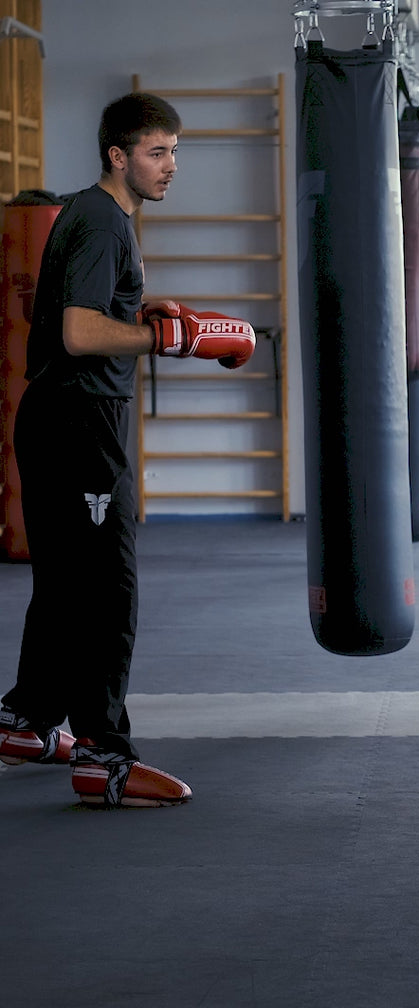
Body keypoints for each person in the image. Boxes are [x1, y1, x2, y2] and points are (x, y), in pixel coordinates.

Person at [0, 93, 257, 807]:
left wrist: (142, 313)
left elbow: (79, 314)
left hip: (61, 417)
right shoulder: (101, 221)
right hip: (81, 423)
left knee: (65, 584)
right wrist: (163, 339)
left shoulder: (96, 215)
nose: (171, 166)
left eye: (174, 151)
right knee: (107, 588)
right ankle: (104, 756)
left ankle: (27, 720)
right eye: (156, 152)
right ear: (118, 155)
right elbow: (79, 333)